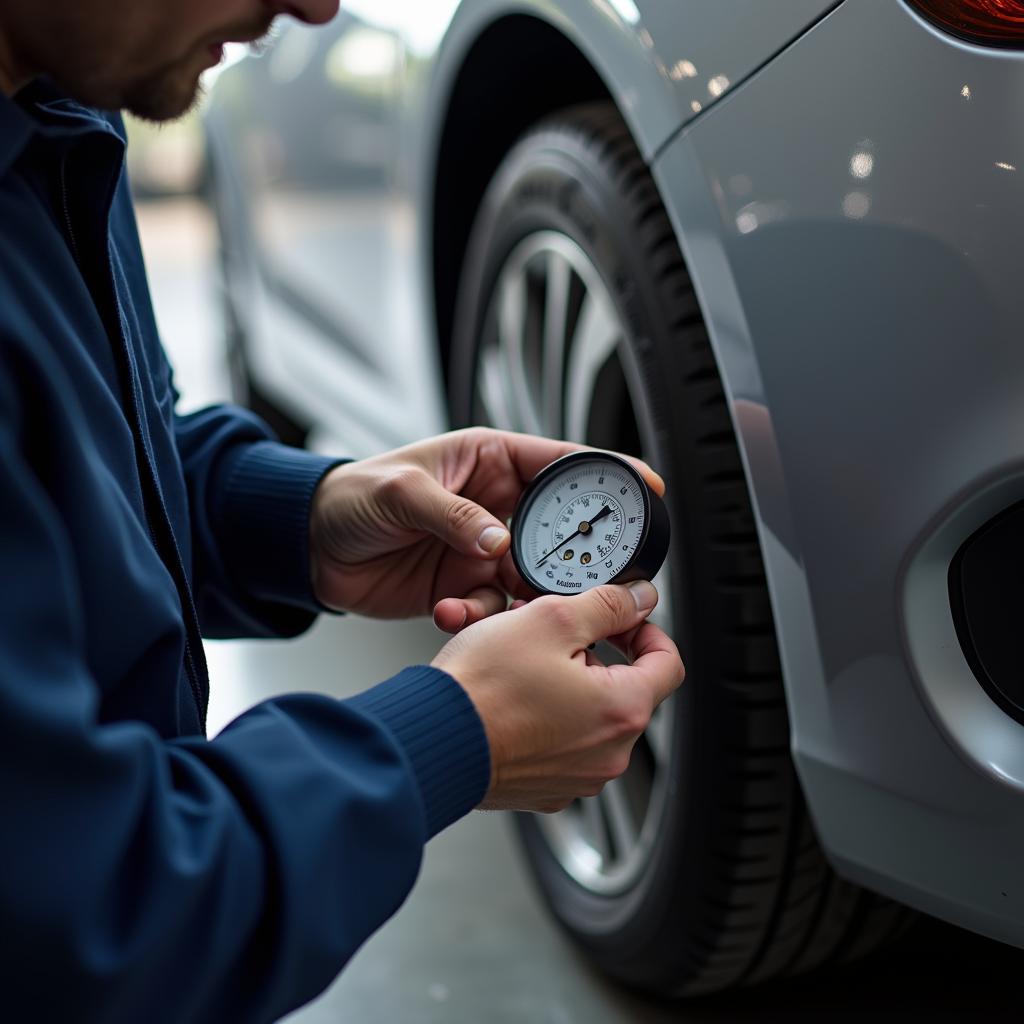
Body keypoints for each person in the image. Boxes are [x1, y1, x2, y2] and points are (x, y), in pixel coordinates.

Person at [0, 1, 685, 1021]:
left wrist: (304, 518)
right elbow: (83, 919)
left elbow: (71, 467)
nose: (321, 5)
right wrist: (452, 735)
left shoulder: (59, 106)